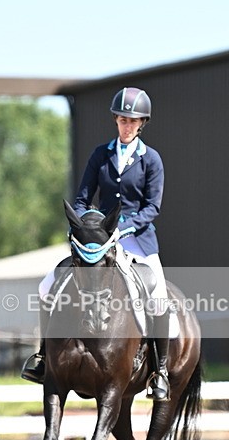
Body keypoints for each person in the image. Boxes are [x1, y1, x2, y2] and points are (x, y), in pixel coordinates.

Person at [21, 86, 170, 401]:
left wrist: (123, 227)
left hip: (138, 241)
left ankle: (160, 372)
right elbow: (82, 197)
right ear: (115, 120)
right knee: (46, 287)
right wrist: (90, 225)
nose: (126, 125)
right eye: (121, 119)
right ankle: (43, 357)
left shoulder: (151, 160)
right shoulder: (100, 154)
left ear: (142, 123)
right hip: (98, 242)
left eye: (132, 121)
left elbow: (151, 208)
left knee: (159, 297)